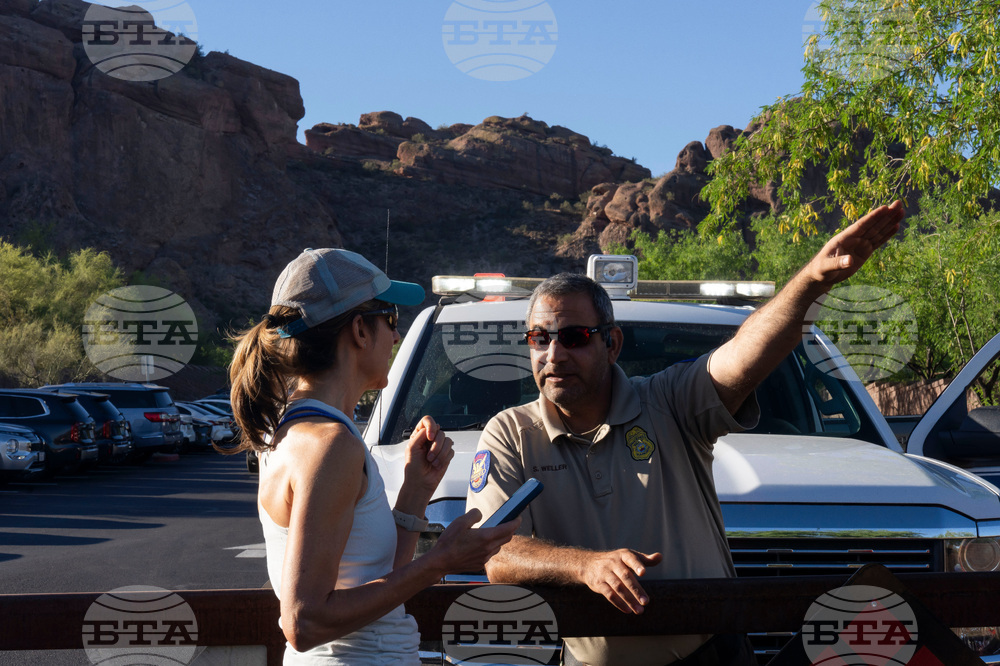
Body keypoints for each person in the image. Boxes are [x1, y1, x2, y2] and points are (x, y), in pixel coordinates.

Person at [466, 202, 906, 666]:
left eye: (573, 337)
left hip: (712, 656)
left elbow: (744, 353)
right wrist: (586, 565)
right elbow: (497, 555)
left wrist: (814, 280)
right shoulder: (510, 433)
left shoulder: (670, 401)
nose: (553, 354)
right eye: (540, 338)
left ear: (611, 344)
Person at [229, 248, 519, 665]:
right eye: (391, 320)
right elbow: (304, 622)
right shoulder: (328, 444)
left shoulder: (300, 431)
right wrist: (442, 561)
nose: (396, 337)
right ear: (361, 330)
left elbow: (371, 576)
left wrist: (415, 493)